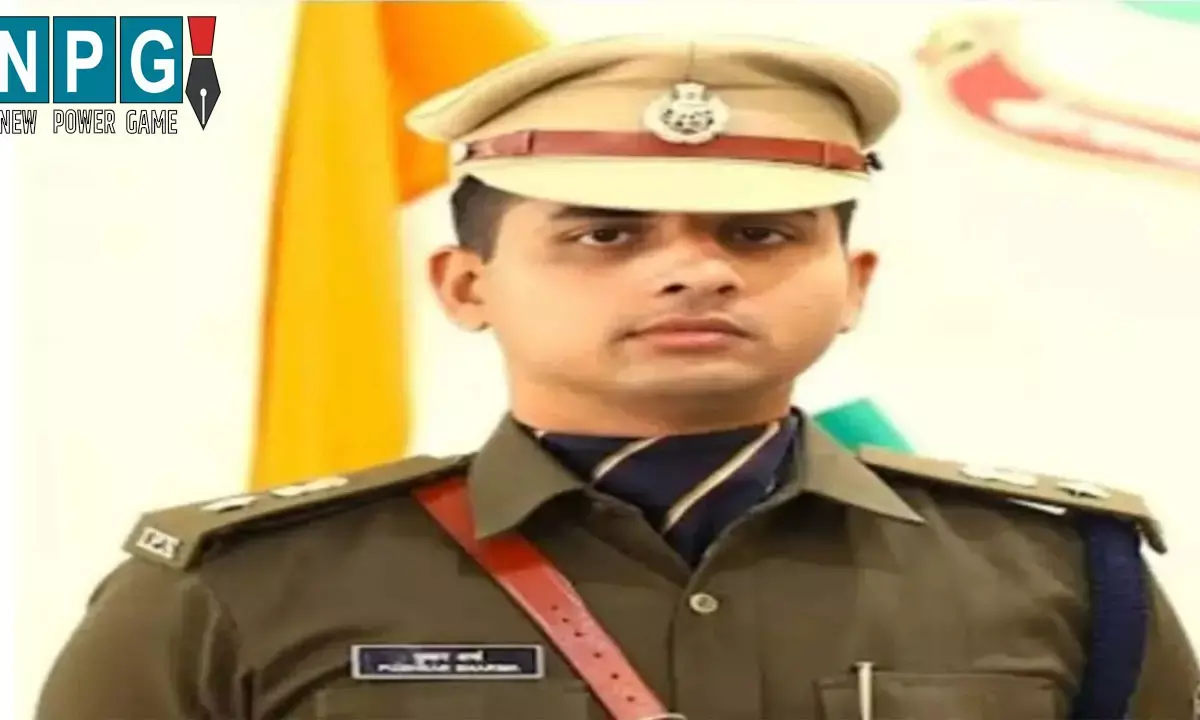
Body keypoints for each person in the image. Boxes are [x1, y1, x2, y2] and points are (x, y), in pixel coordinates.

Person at [36, 34, 1197, 720]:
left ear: (853, 283)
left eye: (760, 235)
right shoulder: (236, 590)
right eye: (606, 234)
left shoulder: (1056, 574)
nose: (695, 270)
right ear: (466, 284)